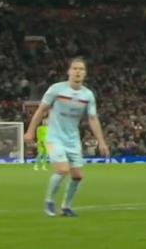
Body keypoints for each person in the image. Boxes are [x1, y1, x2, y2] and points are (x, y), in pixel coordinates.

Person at [24, 58, 110, 217]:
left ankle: (66, 207)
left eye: (81, 69)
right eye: (75, 68)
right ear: (69, 71)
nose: (78, 72)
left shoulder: (87, 95)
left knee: (77, 176)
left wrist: (102, 141)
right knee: (63, 170)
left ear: (85, 73)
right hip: (54, 137)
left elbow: (92, 119)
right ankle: (49, 201)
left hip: (72, 139)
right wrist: (30, 131)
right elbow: (41, 110)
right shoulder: (56, 89)